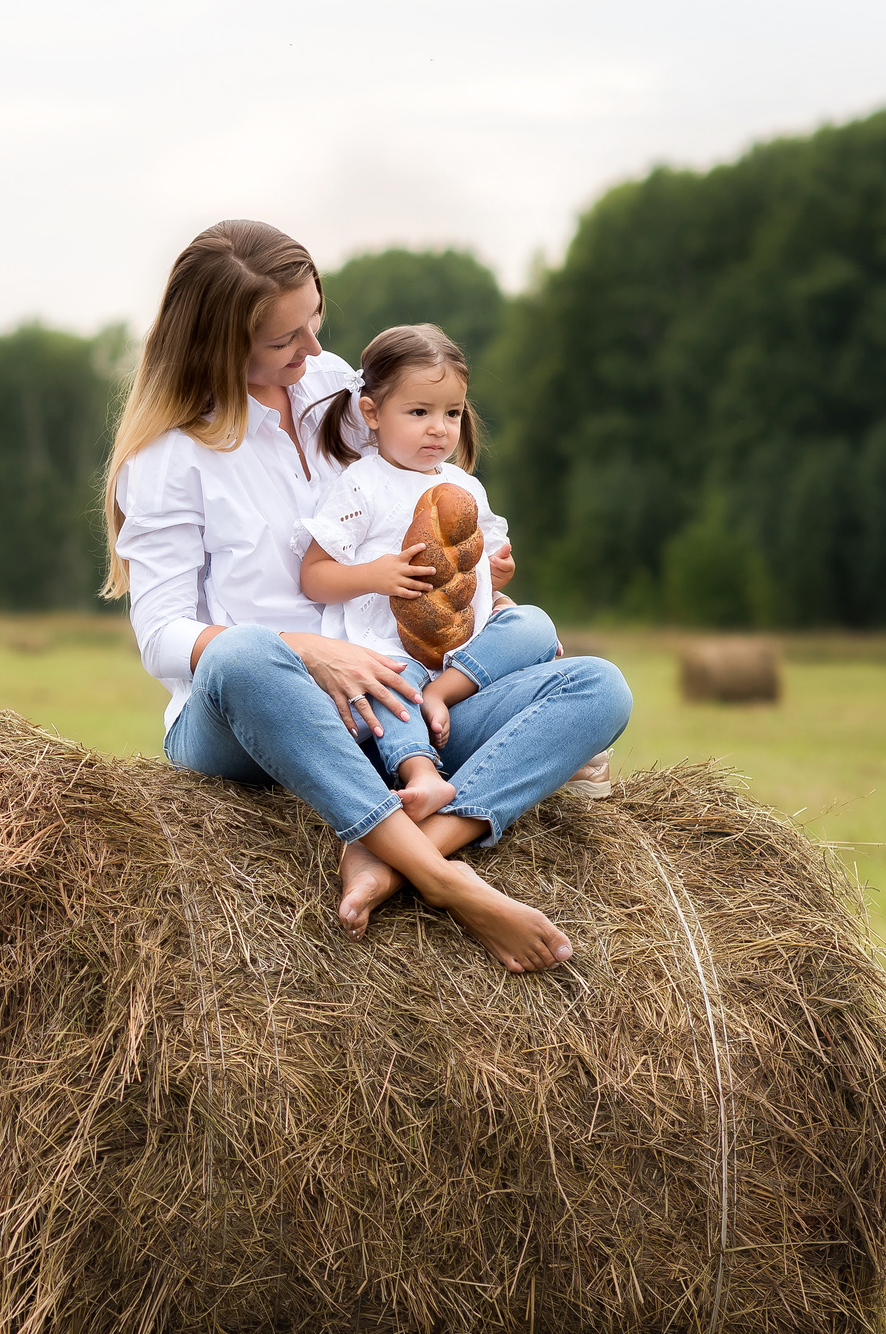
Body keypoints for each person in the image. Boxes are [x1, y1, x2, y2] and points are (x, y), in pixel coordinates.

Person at [104, 220, 632, 970]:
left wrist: (472, 578)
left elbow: (409, 479)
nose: (314, 352)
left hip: (389, 698)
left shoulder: (332, 391)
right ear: (220, 345)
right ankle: (448, 883)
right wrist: (309, 652)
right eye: (285, 340)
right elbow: (161, 636)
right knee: (244, 655)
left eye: (315, 321)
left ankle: (398, 853)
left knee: (596, 686)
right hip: (250, 714)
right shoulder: (170, 459)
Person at [294, 322, 570, 824]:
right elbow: (313, 576)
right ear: (372, 413)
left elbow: (471, 566)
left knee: (534, 624)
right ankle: (421, 774)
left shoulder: (464, 486)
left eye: (452, 413)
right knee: (389, 693)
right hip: (387, 647)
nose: (439, 428)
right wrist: (375, 575)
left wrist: (492, 574)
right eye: (419, 412)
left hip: (463, 650)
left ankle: (441, 696)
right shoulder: (363, 486)